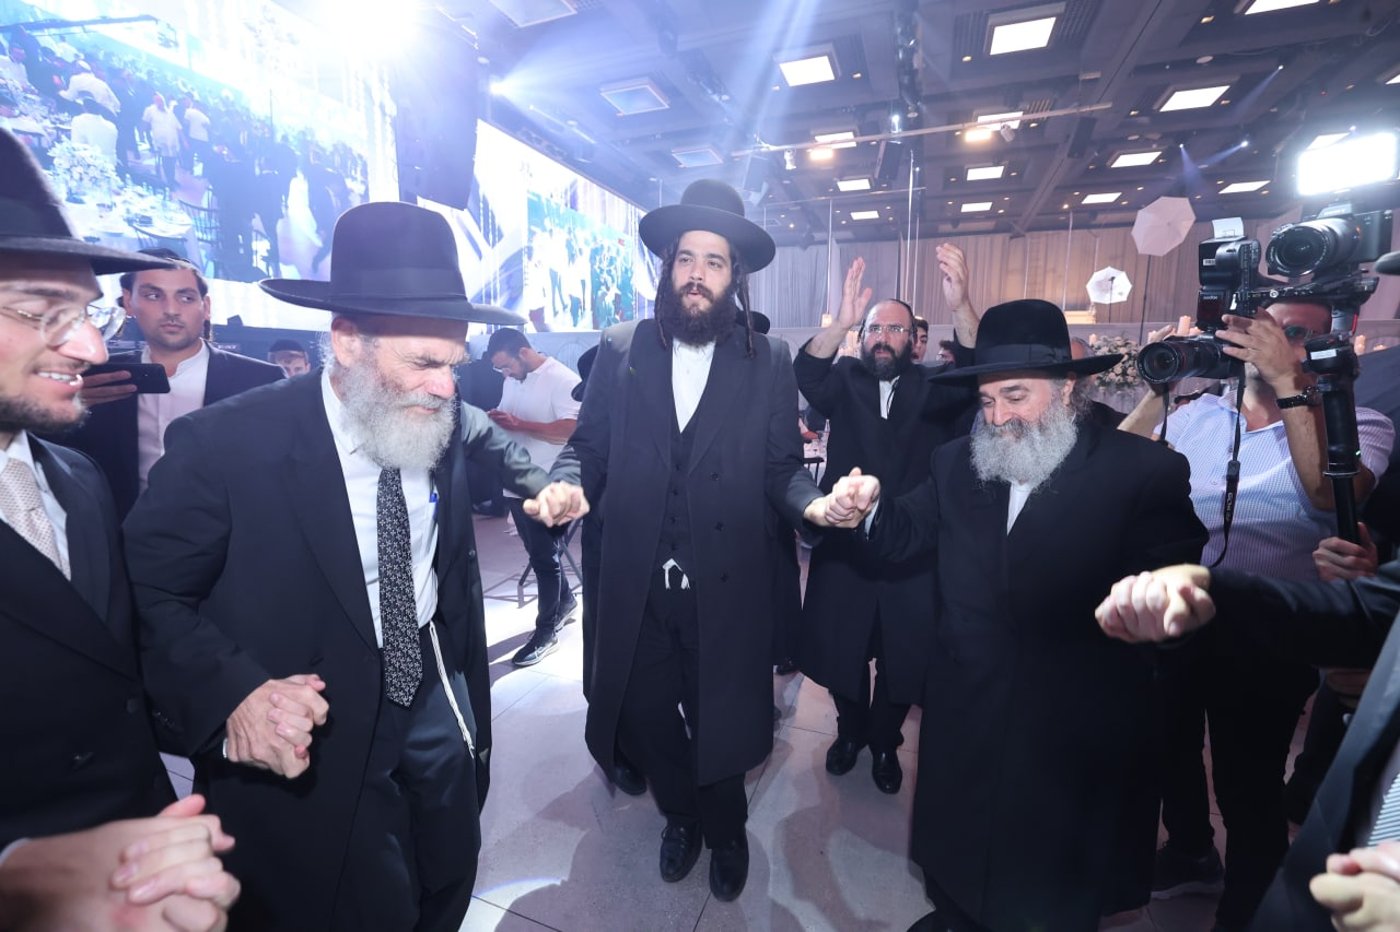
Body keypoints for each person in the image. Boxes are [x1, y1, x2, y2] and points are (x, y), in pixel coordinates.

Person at [124, 201, 547, 930]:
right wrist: (234, 691)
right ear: (347, 341)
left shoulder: (435, 418)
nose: (446, 388)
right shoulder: (225, 445)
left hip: (429, 680)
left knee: (447, 858)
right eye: (424, 363)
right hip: (310, 710)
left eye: (454, 365)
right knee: (346, 893)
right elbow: (148, 590)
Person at [805, 299, 1207, 930]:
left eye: (1015, 397)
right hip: (966, 711)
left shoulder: (1142, 472)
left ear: (1067, 387)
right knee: (959, 860)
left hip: (1068, 734)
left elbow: (1172, 612)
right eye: (987, 401)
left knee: (1045, 890)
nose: (998, 417)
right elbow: (905, 530)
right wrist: (868, 508)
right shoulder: (958, 461)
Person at [528, 179, 823, 902]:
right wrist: (568, 485)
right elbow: (587, 448)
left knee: (722, 719)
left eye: (713, 261)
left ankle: (725, 831)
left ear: (734, 275)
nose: (696, 273)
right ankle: (681, 817)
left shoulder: (769, 359)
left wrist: (815, 507)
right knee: (645, 714)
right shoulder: (620, 346)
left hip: (725, 587)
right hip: (635, 586)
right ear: (667, 268)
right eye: (685, 258)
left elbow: (782, 469)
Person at [0, 126, 239, 931]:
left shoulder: (76, 479)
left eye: (87, 313)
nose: (92, 345)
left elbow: (116, 662)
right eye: (42, 312)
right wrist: (18, 877)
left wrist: (239, 694)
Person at [1120, 302, 1392, 929]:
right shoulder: (1199, 414)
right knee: (1168, 751)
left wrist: (1287, 383)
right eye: (1258, 329)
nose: (1268, 341)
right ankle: (1190, 852)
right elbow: (1113, 468)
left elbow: (1328, 493)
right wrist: (1162, 389)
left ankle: (1248, 908)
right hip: (1181, 616)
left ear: (1324, 346)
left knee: (1247, 782)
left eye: (1292, 333)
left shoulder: (1356, 421)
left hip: (1270, 633)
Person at [1094, 557, 1400, 931]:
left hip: (1270, 663)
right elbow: (1376, 607)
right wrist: (1209, 586)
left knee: (1251, 793)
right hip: (1366, 822)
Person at [795, 246, 977, 796]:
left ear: (914, 339)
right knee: (842, 648)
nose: (883, 337)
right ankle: (850, 731)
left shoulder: (934, 387)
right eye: (875, 328)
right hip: (845, 543)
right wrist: (842, 321)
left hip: (912, 548)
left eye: (895, 329)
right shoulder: (844, 379)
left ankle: (883, 741)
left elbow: (977, 366)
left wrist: (962, 304)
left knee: (904, 657)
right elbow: (807, 370)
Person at [57, 248, 282, 519]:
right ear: (128, 302)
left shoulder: (261, 380)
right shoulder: (94, 379)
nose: (172, 310)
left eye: (186, 298)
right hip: (120, 533)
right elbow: (57, 459)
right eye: (154, 296)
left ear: (206, 307)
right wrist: (65, 410)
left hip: (230, 537)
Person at [485, 327, 582, 666]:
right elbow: (509, 416)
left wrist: (520, 424)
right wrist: (496, 421)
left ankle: (546, 632)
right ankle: (565, 602)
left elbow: (571, 430)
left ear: (523, 353)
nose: (504, 373)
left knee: (544, 559)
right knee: (537, 552)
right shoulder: (513, 378)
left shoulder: (562, 379)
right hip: (515, 481)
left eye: (506, 366)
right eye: (499, 369)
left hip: (548, 483)